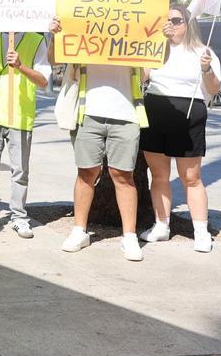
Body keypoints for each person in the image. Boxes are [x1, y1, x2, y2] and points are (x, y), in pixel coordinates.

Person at [49, 17, 149, 261]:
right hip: (88, 113)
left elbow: (151, 67)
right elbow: (54, 59)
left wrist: (162, 39)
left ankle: (129, 236)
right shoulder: (81, 33)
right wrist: (54, 35)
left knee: (123, 175)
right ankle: (79, 230)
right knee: (86, 173)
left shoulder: (134, 35)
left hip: (126, 114)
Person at [137, 5, 221, 253]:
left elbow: (214, 89)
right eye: (166, 20)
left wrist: (206, 68)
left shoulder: (203, 52)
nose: (170, 25)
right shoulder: (154, 49)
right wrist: (152, 47)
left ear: (188, 23)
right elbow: (142, 78)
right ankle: (161, 226)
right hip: (155, 110)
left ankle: (201, 232)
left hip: (189, 114)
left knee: (191, 178)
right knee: (159, 176)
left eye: (176, 20)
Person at [0, 29, 52, 238]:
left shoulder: (36, 40)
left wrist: (21, 66)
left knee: (20, 170)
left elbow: (43, 81)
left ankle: (19, 217)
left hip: (19, 114)